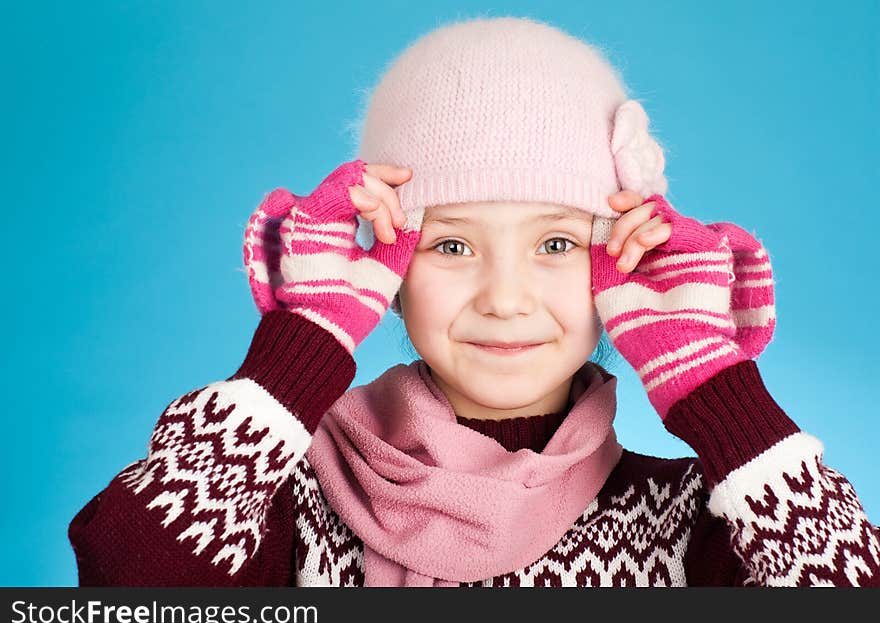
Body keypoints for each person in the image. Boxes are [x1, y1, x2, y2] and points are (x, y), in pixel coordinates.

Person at [68, 16, 880, 587]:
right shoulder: (284, 499)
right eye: (451, 245)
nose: (505, 297)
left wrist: (717, 388)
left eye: (557, 244)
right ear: (385, 269)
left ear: (620, 266)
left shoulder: (689, 521)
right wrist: (300, 346)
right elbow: (119, 590)